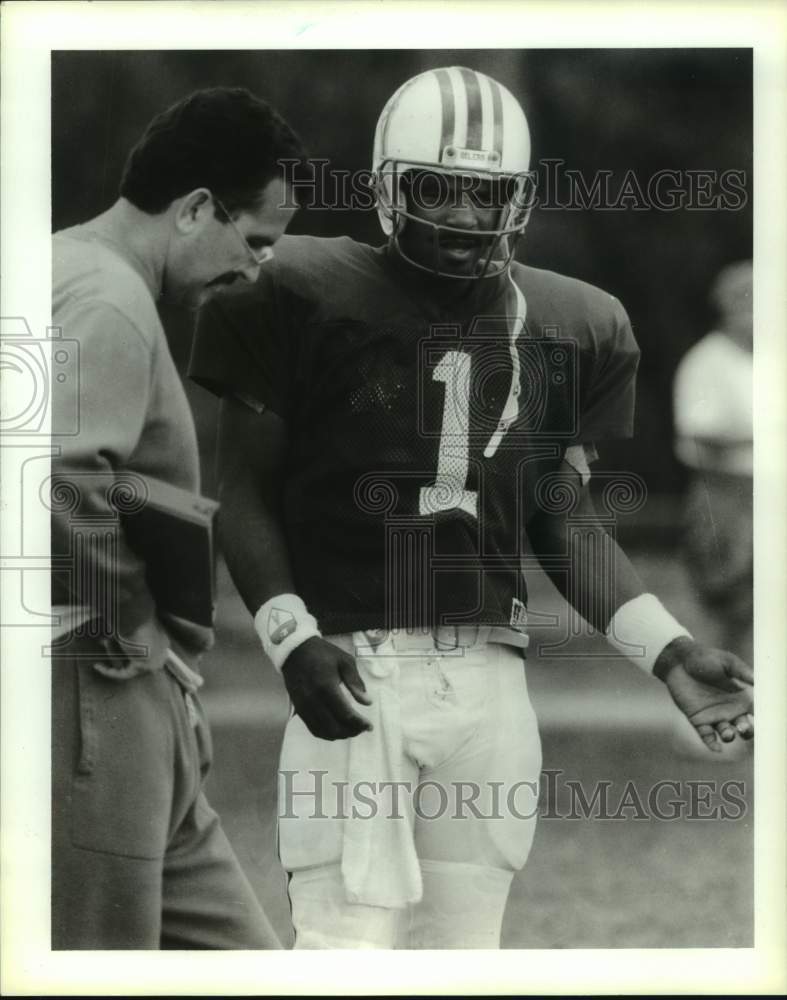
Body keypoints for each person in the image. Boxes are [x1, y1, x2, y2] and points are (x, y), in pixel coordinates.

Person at [190, 67, 754, 950]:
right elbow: (244, 490)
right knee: (344, 948)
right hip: (351, 662)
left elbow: (559, 517)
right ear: (386, 185)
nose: (460, 216)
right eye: (436, 189)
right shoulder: (292, 290)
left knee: (464, 952)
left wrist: (669, 652)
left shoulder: (576, 320)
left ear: (520, 200)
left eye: (484, 194)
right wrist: (290, 637)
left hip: (489, 678)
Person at [50, 86, 302, 949]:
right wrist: (135, 635)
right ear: (197, 208)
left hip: (130, 690)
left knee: (241, 956)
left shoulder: (59, 265)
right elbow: (63, 476)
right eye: (256, 241)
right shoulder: (111, 299)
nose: (258, 266)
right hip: (95, 676)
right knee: (100, 955)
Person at [673, 260, 753, 663]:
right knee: (721, 609)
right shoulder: (706, 361)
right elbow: (698, 433)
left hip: (766, 496)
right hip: (725, 495)